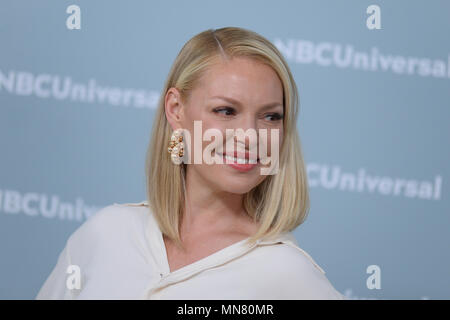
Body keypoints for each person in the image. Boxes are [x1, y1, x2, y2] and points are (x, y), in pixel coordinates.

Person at [36, 26, 345, 300]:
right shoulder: (106, 232)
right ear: (175, 109)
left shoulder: (288, 274)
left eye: (270, 116)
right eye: (226, 111)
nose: (250, 136)